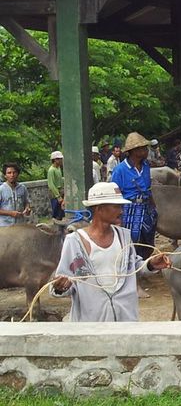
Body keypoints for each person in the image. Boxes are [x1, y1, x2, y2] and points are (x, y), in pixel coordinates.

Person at [49, 182, 171, 322]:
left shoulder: (124, 237)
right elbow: (62, 283)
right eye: (116, 206)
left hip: (125, 321)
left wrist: (151, 264)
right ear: (100, 209)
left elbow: (133, 267)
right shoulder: (74, 242)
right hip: (91, 324)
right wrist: (60, 287)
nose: (121, 211)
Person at [109, 132, 158, 260]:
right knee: (132, 242)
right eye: (143, 148)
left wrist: (154, 207)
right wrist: (116, 216)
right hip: (129, 209)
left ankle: (141, 263)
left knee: (148, 242)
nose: (146, 150)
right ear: (134, 151)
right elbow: (115, 193)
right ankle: (132, 266)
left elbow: (148, 189)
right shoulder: (120, 170)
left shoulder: (146, 166)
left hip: (146, 207)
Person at [0, 163, 31, 227]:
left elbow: (26, 202)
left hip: (20, 225)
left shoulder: (22, 188)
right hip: (5, 226)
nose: (12, 175)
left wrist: (27, 209)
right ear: (5, 175)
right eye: (9, 173)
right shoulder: (1, 189)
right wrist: (11, 213)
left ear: (18, 174)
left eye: (14, 172)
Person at [47, 151, 64, 220]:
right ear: (55, 160)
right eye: (59, 159)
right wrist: (58, 196)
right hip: (55, 194)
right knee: (56, 211)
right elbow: (51, 184)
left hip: (60, 191)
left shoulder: (58, 168)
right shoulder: (51, 170)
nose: (61, 160)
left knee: (61, 212)